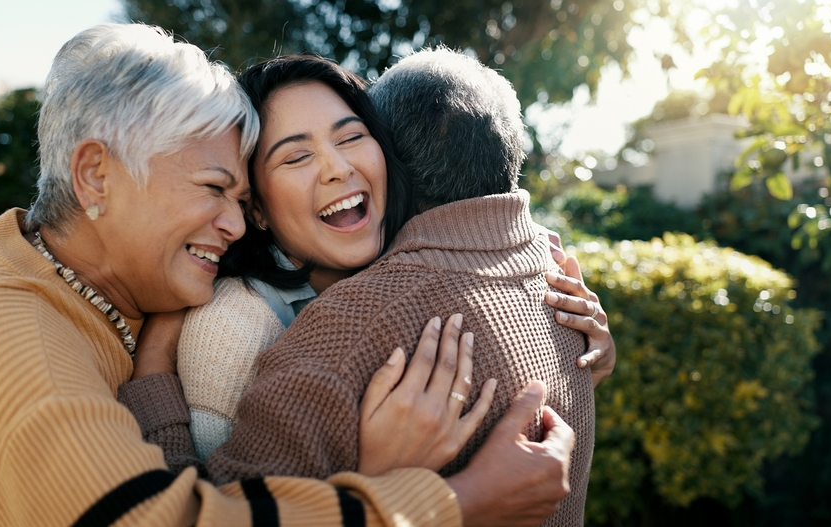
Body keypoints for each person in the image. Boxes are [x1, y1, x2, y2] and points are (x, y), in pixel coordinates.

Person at [0, 23, 576, 527]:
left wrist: (548, 286)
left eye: (238, 197)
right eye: (215, 189)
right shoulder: (20, 348)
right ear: (96, 174)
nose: (234, 222)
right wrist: (454, 499)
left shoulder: (77, 278)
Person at [200, 48, 610, 527]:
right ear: (257, 209)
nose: (336, 168)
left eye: (352, 136)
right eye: (296, 155)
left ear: (392, 156)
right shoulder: (236, 327)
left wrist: (591, 362)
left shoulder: (545, 283)